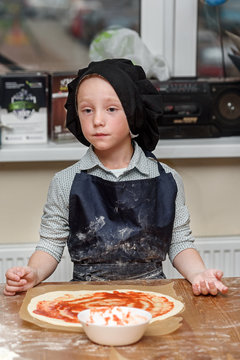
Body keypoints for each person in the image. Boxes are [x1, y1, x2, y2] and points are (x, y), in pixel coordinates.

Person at [4, 59, 228, 297]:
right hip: (86, 297)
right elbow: (50, 244)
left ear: (133, 112)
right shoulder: (65, 182)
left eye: (111, 109)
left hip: (152, 296)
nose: (97, 120)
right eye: (87, 110)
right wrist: (33, 273)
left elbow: (180, 243)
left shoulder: (167, 180)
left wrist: (198, 274)